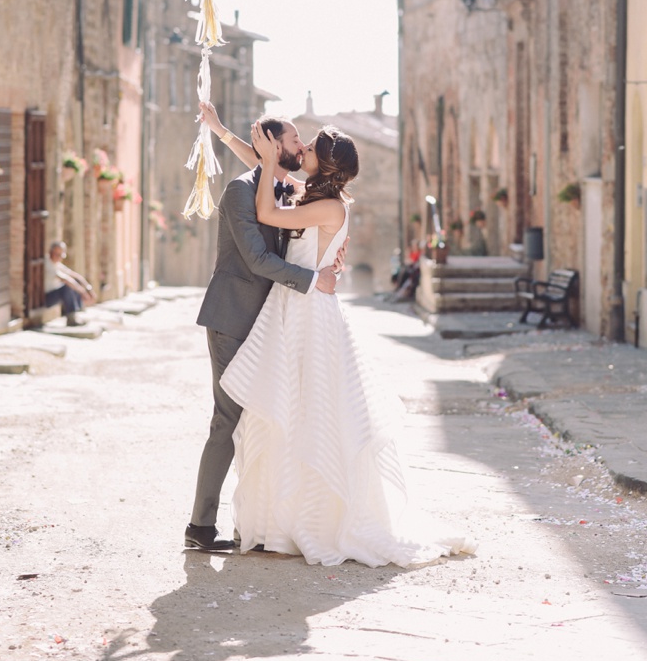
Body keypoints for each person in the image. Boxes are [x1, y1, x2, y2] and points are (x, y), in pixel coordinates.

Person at [203, 102, 475, 566]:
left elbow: (266, 210)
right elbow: (263, 170)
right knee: (288, 408)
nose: (300, 150)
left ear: (323, 163)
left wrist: (269, 162)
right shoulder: (315, 194)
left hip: (310, 314)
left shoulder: (327, 205)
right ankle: (280, 518)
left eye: (307, 148)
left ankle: (312, 518)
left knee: (308, 413)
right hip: (294, 308)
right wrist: (222, 132)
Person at [186, 110, 341, 554]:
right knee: (228, 419)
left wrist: (223, 132)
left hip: (268, 326)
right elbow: (257, 261)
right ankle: (199, 527)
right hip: (233, 320)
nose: (299, 146)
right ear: (274, 146)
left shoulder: (282, 189)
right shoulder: (239, 192)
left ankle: (253, 523)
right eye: (294, 140)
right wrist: (314, 281)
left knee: (262, 422)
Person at [43, 241, 94, 327]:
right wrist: (82, 292)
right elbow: (65, 279)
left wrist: (88, 288)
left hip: (55, 294)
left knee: (75, 283)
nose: (59, 257)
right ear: (51, 252)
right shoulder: (47, 263)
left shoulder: (57, 263)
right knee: (68, 287)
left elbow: (74, 275)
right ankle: (71, 318)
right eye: (56, 254)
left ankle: (77, 313)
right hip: (46, 298)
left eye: (61, 255)